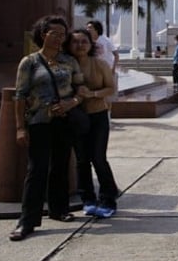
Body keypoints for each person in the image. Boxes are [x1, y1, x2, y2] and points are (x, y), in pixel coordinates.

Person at [9, 15, 83, 241]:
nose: (59, 38)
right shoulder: (29, 62)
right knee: (37, 169)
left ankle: (59, 209)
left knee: (60, 166)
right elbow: (20, 96)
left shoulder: (69, 61)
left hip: (64, 121)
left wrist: (72, 102)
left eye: (63, 35)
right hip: (39, 121)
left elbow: (80, 89)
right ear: (43, 34)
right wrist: (20, 128)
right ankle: (27, 221)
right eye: (55, 34)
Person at [66, 29, 120, 218]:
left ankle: (108, 198)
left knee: (98, 158)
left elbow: (110, 88)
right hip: (76, 117)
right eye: (75, 42)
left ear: (91, 44)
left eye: (84, 42)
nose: (80, 45)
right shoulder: (66, 66)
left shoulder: (100, 64)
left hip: (97, 115)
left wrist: (93, 94)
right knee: (82, 160)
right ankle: (87, 199)